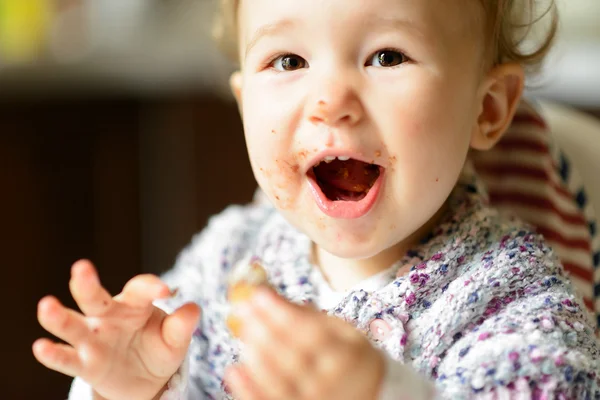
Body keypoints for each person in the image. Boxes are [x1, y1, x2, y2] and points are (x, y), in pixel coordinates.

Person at [34, 0, 600, 399]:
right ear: (243, 103)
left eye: (386, 56)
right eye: (289, 61)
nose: (330, 101)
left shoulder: (508, 289)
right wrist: (130, 388)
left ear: (488, 109)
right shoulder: (226, 262)